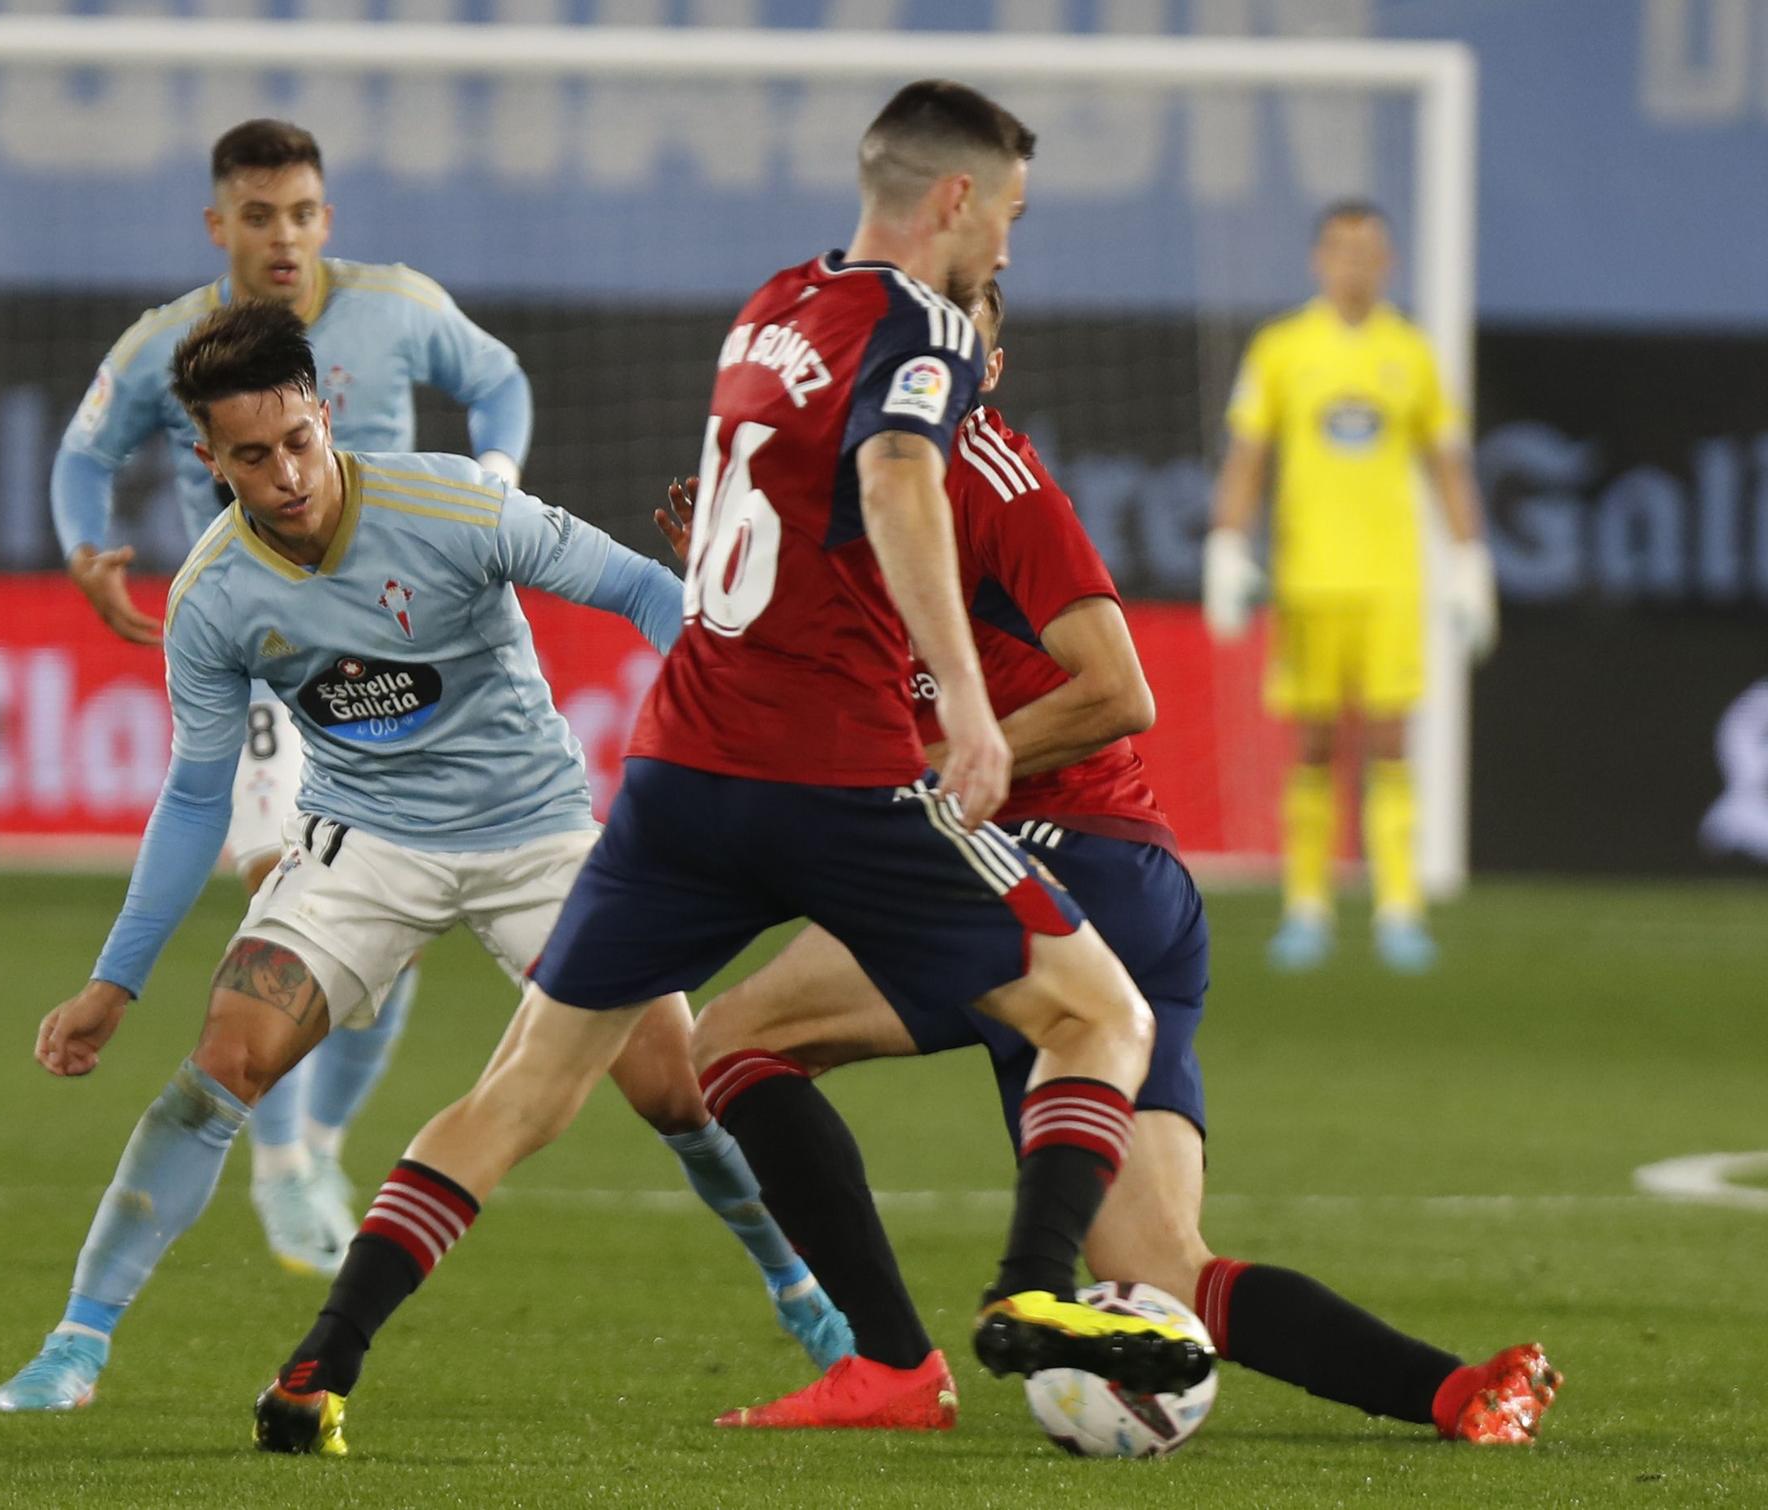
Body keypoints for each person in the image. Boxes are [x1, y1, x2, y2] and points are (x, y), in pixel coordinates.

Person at [254, 78, 1210, 1459]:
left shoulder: (769, 305)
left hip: (680, 773)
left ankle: (318, 1366)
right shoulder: (926, 325)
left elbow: (775, 501)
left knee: (526, 1087)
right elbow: (890, 476)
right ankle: (1029, 1289)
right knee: (1099, 1016)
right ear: (953, 200)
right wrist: (979, 722)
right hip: (837, 780)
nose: (1008, 244)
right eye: (1007, 213)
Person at [681, 282, 1561, 1444]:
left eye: (954, 338)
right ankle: (1457, 1391)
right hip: (1118, 887)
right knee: (1158, 1265)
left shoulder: (992, 481)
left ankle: (890, 1368)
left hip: (1057, 860)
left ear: (983, 368)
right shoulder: (828, 483)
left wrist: (949, 763)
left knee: (733, 1040)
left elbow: (1117, 691)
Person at [0, 301, 849, 1416]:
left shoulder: (452, 503)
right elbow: (198, 791)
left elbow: (640, 588)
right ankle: (76, 1343)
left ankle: (807, 1301)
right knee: (222, 1063)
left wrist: (728, 720)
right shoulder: (211, 598)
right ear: (208, 458)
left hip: (536, 836)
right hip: (363, 844)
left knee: (680, 1092)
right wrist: (116, 978)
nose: (288, 473)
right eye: (252, 456)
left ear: (323, 411)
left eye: (298, 439)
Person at [52, 118, 536, 1271]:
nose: (283, 235)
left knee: (394, 936)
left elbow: (499, 379)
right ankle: (276, 1161)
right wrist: (86, 548)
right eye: (258, 216)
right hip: (271, 659)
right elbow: (82, 454)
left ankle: (309, 1142)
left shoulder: (399, 304)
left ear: (328, 218)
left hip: (405, 659)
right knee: (289, 893)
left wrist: (498, 484)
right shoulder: (172, 345)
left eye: (303, 212)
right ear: (218, 225)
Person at [1202, 199, 1497, 974]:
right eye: (1340, 249)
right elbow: (1247, 456)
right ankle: (1308, 906)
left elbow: (1447, 464)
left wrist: (1469, 561)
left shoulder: (1414, 353)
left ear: (1389, 262)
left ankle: (1400, 907)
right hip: (1308, 580)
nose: (1354, 264)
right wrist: (1228, 545)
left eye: (1368, 251)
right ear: (1318, 260)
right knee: (1314, 745)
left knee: (1392, 741)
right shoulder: (1282, 349)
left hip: (1392, 579)